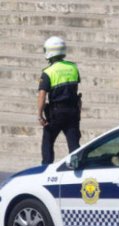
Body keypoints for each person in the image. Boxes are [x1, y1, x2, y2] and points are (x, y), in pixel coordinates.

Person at [37, 36, 82, 165]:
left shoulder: (48, 72)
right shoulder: (73, 67)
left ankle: (46, 166)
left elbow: (42, 95)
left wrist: (40, 115)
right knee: (73, 143)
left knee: (48, 141)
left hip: (56, 113)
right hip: (73, 110)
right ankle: (76, 167)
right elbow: (75, 89)